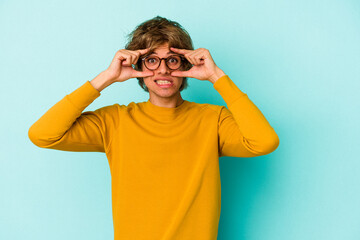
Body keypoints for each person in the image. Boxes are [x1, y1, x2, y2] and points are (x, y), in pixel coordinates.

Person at [28, 16, 279, 240]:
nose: (163, 69)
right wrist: (106, 77)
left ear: (186, 64)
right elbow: (43, 135)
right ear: (136, 66)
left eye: (172, 60)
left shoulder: (212, 119)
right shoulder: (114, 121)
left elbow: (264, 141)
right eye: (151, 60)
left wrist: (217, 77)